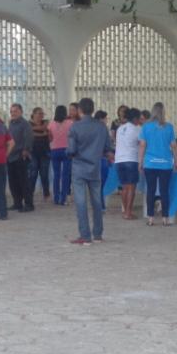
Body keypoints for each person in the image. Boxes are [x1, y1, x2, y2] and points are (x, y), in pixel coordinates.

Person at [67, 98, 113, 245]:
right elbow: (108, 148)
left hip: (79, 169)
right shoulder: (101, 127)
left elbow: (71, 150)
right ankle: (98, 234)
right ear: (93, 110)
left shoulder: (75, 127)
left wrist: (70, 153)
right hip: (95, 168)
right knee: (97, 202)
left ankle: (85, 236)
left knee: (81, 202)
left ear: (80, 110)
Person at [138, 102, 177, 226]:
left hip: (150, 163)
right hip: (165, 164)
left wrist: (140, 162)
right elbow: (174, 146)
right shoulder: (169, 127)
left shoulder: (146, 127)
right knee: (164, 191)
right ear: (163, 112)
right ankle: (165, 218)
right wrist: (175, 161)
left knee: (150, 190)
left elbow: (142, 145)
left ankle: (150, 218)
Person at [115, 107, 141, 220]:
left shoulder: (120, 129)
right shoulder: (137, 129)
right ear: (135, 118)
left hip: (119, 160)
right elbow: (142, 144)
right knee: (131, 188)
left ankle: (125, 211)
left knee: (124, 187)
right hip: (131, 160)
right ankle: (128, 213)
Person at [7, 103, 34, 212]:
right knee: (13, 182)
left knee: (24, 182)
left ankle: (29, 204)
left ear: (21, 112)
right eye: (12, 111)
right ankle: (17, 203)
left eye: (15, 111)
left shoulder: (25, 124)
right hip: (10, 157)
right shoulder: (11, 124)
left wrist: (26, 150)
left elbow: (29, 138)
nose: (13, 113)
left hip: (20, 156)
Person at [48, 105, 73, 206]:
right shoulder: (70, 123)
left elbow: (49, 137)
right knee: (65, 175)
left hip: (54, 150)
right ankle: (63, 199)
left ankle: (56, 198)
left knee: (56, 175)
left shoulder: (51, 124)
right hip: (67, 150)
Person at [29, 107, 51, 200]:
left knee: (44, 174)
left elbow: (50, 137)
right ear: (33, 114)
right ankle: (30, 194)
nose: (41, 115)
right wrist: (43, 133)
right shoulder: (28, 124)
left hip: (45, 152)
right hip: (32, 152)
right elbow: (30, 133)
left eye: (42, 114)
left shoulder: (46, 123)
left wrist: (46, 132)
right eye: (39, 113)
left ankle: (46, 194)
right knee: (33, 174)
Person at [94, 110, 110, 212]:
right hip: (102, 158)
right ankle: (100, 206)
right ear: (101, 119)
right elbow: (107, 145)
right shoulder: (103, 128)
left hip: (90, 159)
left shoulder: (89, 128)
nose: (107, 120)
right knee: (101, 184)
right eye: (106, 118)